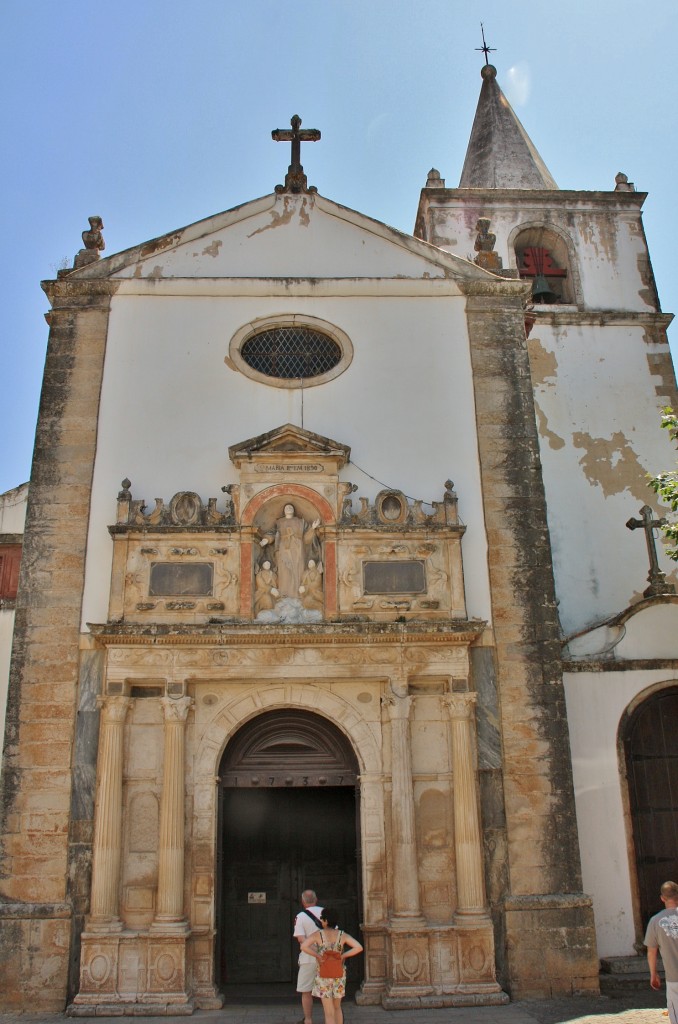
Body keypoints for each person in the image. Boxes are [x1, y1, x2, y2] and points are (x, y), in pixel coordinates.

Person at [300, 907, 363, 1024]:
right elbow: (359, 947)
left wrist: (318, 956)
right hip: (339, 974)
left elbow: (303, 946)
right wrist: (343, 956)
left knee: (328, 1012)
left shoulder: (318, 935)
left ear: (326, 920)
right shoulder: (342, 935)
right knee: (337, 1007)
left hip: (323, 974)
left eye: (322, 919)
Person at [261, 504, 320, 599]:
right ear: (283, 510)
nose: (289, 508)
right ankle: (284, 594)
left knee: (298, 569)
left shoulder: (301, 522)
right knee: (284, 570)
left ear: (294, 510)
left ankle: (297, 596)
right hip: (283, 548)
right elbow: (272, 533)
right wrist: (266, 539)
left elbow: (306, 539)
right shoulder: (279, 522)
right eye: (287, 507)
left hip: (298, 549)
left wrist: (312, 528)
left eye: (291, 507)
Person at [645, 880, 678, 1024]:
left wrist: (654, 973)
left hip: (674, 977)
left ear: (662, 898)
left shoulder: (655, 921)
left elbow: (652, 951)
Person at [293, 889, 324, 1024]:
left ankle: (309, 1020)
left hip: (308, 958)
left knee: (306, 991)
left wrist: (314, 952)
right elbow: (334, 933)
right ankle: (330, 1019)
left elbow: (301, 939)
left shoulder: (300, 916)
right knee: (327, 990)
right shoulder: (326, 912)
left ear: (303, 902)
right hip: (326, 957)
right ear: (316, 900)